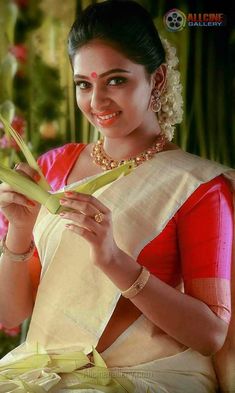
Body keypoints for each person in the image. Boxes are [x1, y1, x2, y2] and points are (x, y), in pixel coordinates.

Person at [0, 1, 234, 392]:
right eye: (83, 84)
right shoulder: (53, 168)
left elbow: (210, 335)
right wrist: (19, 231)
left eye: (116, 80)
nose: (97, 102)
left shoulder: (197, 186)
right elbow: (11, 312)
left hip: (149, 376)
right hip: (44, 372)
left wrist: (113, 260)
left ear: (156, 80)